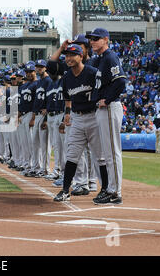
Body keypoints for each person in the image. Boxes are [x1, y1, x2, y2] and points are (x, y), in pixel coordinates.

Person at [53, 44, 109, 203]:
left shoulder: (92, 73)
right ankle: (65, 190)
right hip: (77, 118)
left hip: (94, 116)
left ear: (81, 56)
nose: (68, 58)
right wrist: (68, 114)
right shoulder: (66, 78)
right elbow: (67, 98)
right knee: (71, 155)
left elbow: (103, 89)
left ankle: (105, 189)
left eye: (72, 55)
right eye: (67, 56)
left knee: (100, 156)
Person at [87, 28, 127, 205]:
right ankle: (110, 188)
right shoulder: (100, 59)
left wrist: (108, 99)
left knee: (112, 152)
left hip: (110, 107)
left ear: (105, 40)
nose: (92, 41)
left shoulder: (110, 57)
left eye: (96, 39)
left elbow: (121, 81)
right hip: (103, 108)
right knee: (107, 152)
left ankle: (115, 192)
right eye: (91, 39)